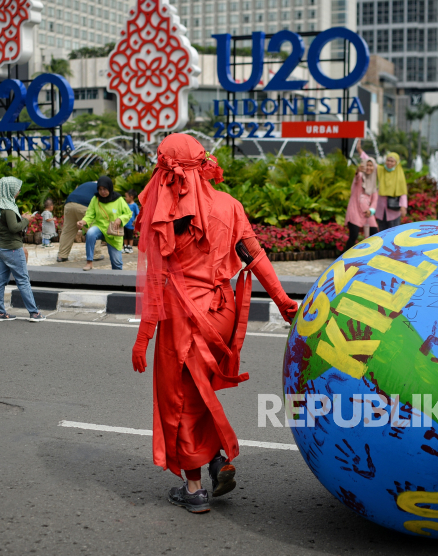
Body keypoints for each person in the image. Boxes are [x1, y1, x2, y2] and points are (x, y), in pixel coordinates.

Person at [131, 134, 298, 514]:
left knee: (180, 400)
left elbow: (156, 282)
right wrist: (284, 302)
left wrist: (144, 337)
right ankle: (216, 459)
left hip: (183, 318)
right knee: (197, 390)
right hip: (220, 315)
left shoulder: (162, 215)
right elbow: (255, 257)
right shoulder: (229, 205)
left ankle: (193, 489)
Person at [0, 176, 45, 322]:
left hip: (0, 248)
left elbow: (4, 224)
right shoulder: (8, 208)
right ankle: (34, 313)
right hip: (12, 250)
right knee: (23, 280)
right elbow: (14, 227)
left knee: (0, 281)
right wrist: (27, 220)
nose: (18, 191)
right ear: (9, 190)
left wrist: (21, 218)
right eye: (16, 189)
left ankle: (0, 313)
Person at [77, 176, 132, 271]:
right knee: (90, 233)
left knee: (117, 264)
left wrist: (120, 219)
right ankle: (89, 262)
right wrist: (83, 221)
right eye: (100, 189)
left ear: (110, 188)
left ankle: (118, 283)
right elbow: (90, 214)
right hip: (100, 227)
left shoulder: (119, 199)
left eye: (105, 189)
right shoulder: (95, 199)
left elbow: (128, 213)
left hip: (113, 232)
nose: (102, 192)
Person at [56, 180, 103, 263]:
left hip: (69, 204)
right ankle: (96, 255)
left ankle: (62, 255)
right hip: (84, 205)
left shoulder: (86, 184)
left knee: (68, 231)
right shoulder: (101, 187)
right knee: (94, 230)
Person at [346, 144, 379, 252]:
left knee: (374, 233)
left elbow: (374, 200)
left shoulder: (374, 182)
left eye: (371, 166)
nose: (369, 168)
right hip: (354, 210)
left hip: (367, 213)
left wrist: (371, 210)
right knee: (354, 235)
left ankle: (370, 256)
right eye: (367, 165)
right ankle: (343, 258)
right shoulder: (360, 177)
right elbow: (356, 176)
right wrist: (357, 171)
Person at [373, 151, 408, 231]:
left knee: (393, 232)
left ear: (396, 163)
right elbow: (370, 162)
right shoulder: (381, 170)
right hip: (381, 208)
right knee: (382, 232)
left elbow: (402, 192)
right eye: (388, 160)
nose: (389, 163)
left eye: (392, 161)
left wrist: (403, 206)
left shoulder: (399, 174)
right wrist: (360, 151)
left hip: (393, 210)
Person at [123, 189, 140, 254]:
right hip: (125, 224)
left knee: (130, 237)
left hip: (130, 224)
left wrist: (135, 221)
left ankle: (130, 247)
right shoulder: (125, 204)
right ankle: (125, 247)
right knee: (125, 236)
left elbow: (137, 214)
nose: (125, 198)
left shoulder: (134, 205)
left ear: (131, 197)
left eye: (126, 196)